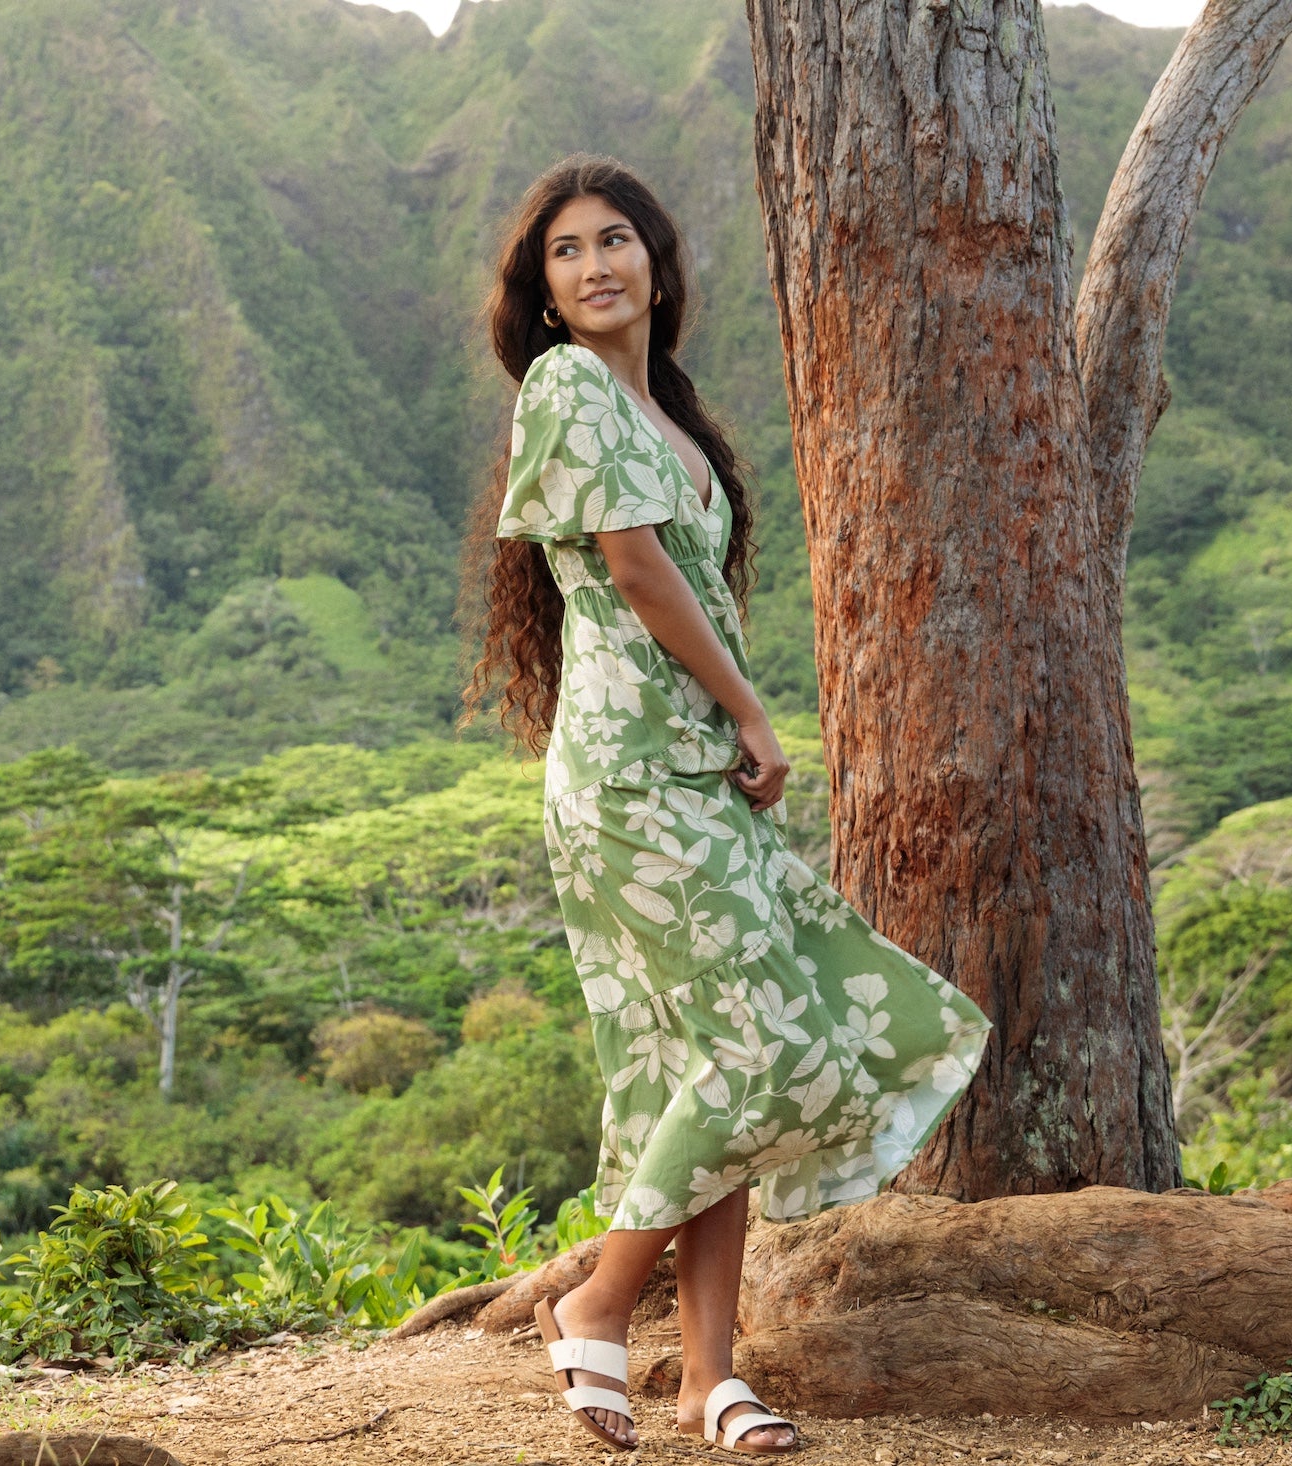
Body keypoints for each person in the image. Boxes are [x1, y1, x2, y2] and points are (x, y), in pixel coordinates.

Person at [463, 154, 992, 1456]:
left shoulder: (671, 418)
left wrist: (731, 733)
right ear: (542, 293)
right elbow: (636, 566)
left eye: (615, 239)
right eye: (567, 251)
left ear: (657, 261)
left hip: (695, 772)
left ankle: (710, 1376)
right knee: (765, 1046)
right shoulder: (568, 387)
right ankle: (599, 1299)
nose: (595, 264)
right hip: (632, 776)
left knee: (714, 1060)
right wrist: (753, 712)